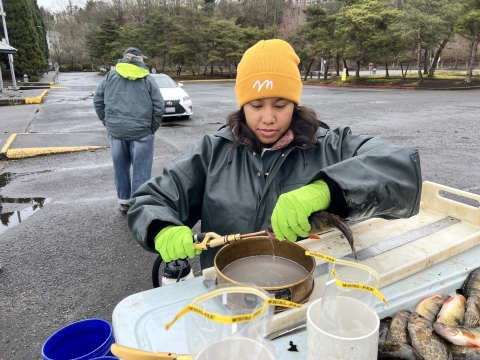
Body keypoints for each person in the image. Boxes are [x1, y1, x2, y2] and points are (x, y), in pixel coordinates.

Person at [127, 39, 422, 270]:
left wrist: (327, 189)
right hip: (229, 286)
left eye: (280, 105)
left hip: (314, 282)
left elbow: (401, 167)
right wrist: (161, 228)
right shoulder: (212, 151)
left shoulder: (333, 146)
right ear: (242, 105)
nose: (268, 118)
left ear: (295, 103)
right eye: (256, 105)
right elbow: (151, 200)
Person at [93, 47, 164, 214]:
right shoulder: (147, 79)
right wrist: (152, 128)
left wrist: (107, 122)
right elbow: (158, 106)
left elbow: (98, 100)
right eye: (143, 58)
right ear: (138, 58)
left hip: (116, 132)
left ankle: (124, 202)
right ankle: (139, 204)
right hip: (142, 132)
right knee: (142, 168)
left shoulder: (110, 76)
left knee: (120, 167)